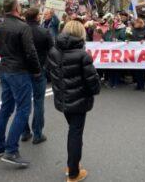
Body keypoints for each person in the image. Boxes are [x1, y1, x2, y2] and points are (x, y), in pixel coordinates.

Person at [47, 20, 100, 182]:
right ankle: (74, 173)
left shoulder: (54, 51)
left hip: (62, 98)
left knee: (73, 131)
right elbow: (93, 83)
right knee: (75, 135)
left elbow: (51, 74)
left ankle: (72, 165)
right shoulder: (83, 55)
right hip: (79, 101)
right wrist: (93, 90)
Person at [0, 0, 41, 167]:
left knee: (5, 108)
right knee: (23, 109)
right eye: (19, 6)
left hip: (4, 69)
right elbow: (30, 52)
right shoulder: (22, 26)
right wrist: (36, 70)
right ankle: (11, 150)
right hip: (19, 71)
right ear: (16, 8)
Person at [21, 8, 54, 144]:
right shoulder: (44, 31)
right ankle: (37, 134)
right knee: (38, 102)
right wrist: (46, 67)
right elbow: (52, 51)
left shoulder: (21, 30)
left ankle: (25, 132)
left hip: (22, 71)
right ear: (36, 17)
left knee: (23, 103)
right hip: (39, 70)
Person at [131, 17, 145, 91]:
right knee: (136, 70)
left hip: (143, 54)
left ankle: (142, 86)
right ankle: (138, 85)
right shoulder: (132, 31)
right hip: (135, 53)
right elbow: (130, 39)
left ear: (140, 24)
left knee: (142, 71)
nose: (135, 24)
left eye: (136, 22)